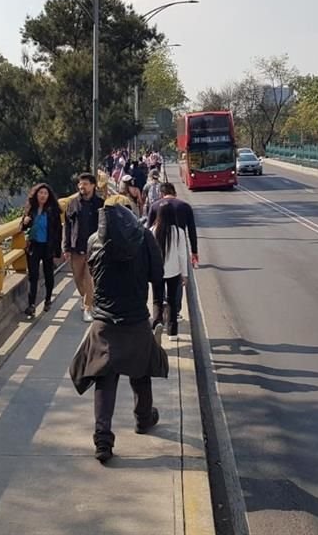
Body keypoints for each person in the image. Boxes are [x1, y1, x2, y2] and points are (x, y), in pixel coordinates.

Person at [69, 204, 168, 463]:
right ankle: (143, 419)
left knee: (104, 377)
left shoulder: (93, 240)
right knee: (140, 371)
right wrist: (159, 308)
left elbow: (93, 275)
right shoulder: (144, 237)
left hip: (104, 320)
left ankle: (103, 440)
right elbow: (157, 274)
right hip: (136, 317)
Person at [63, 173, 104, 322]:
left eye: (85, 184)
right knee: (78, 278)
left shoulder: (100, 203)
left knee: (89, 278)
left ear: (93, 185)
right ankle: (85, 296)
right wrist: (66, 247)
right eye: (80, 184)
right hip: (76, 246)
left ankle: (88, 307)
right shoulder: (72, 203)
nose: (82, 186)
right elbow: (67, 226)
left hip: (94, 248)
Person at [20, 183, 63, 317]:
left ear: (49, 195)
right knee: (33, 275)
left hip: (48, 246)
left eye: (45, 193)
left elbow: (58, 231)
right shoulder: (30, 209)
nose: (43, 195)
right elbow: (22, 227)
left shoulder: (53, 210)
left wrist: (58, 249)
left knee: (48, 273)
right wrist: (25, 222)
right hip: (34, 246)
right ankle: (31, 305)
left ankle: (48, 300)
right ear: (36, 194)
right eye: (40, 193)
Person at [151, 201, 188, 337]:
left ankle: (157, 323)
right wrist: (185, 274)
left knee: (157, 299)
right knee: (172, 300)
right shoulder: (179, 232)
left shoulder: (153, 230)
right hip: (174, 271)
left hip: (157, 272)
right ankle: (172, 332)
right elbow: (182, 255)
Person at [147, 182, 199, 268]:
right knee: (185, 271)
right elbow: (191, 230)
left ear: (161, 194)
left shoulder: (154, 206)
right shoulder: (185, 206)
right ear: (175, 193)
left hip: (159, 245)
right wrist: (194, 251)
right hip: (179, 242)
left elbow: (148, 231)